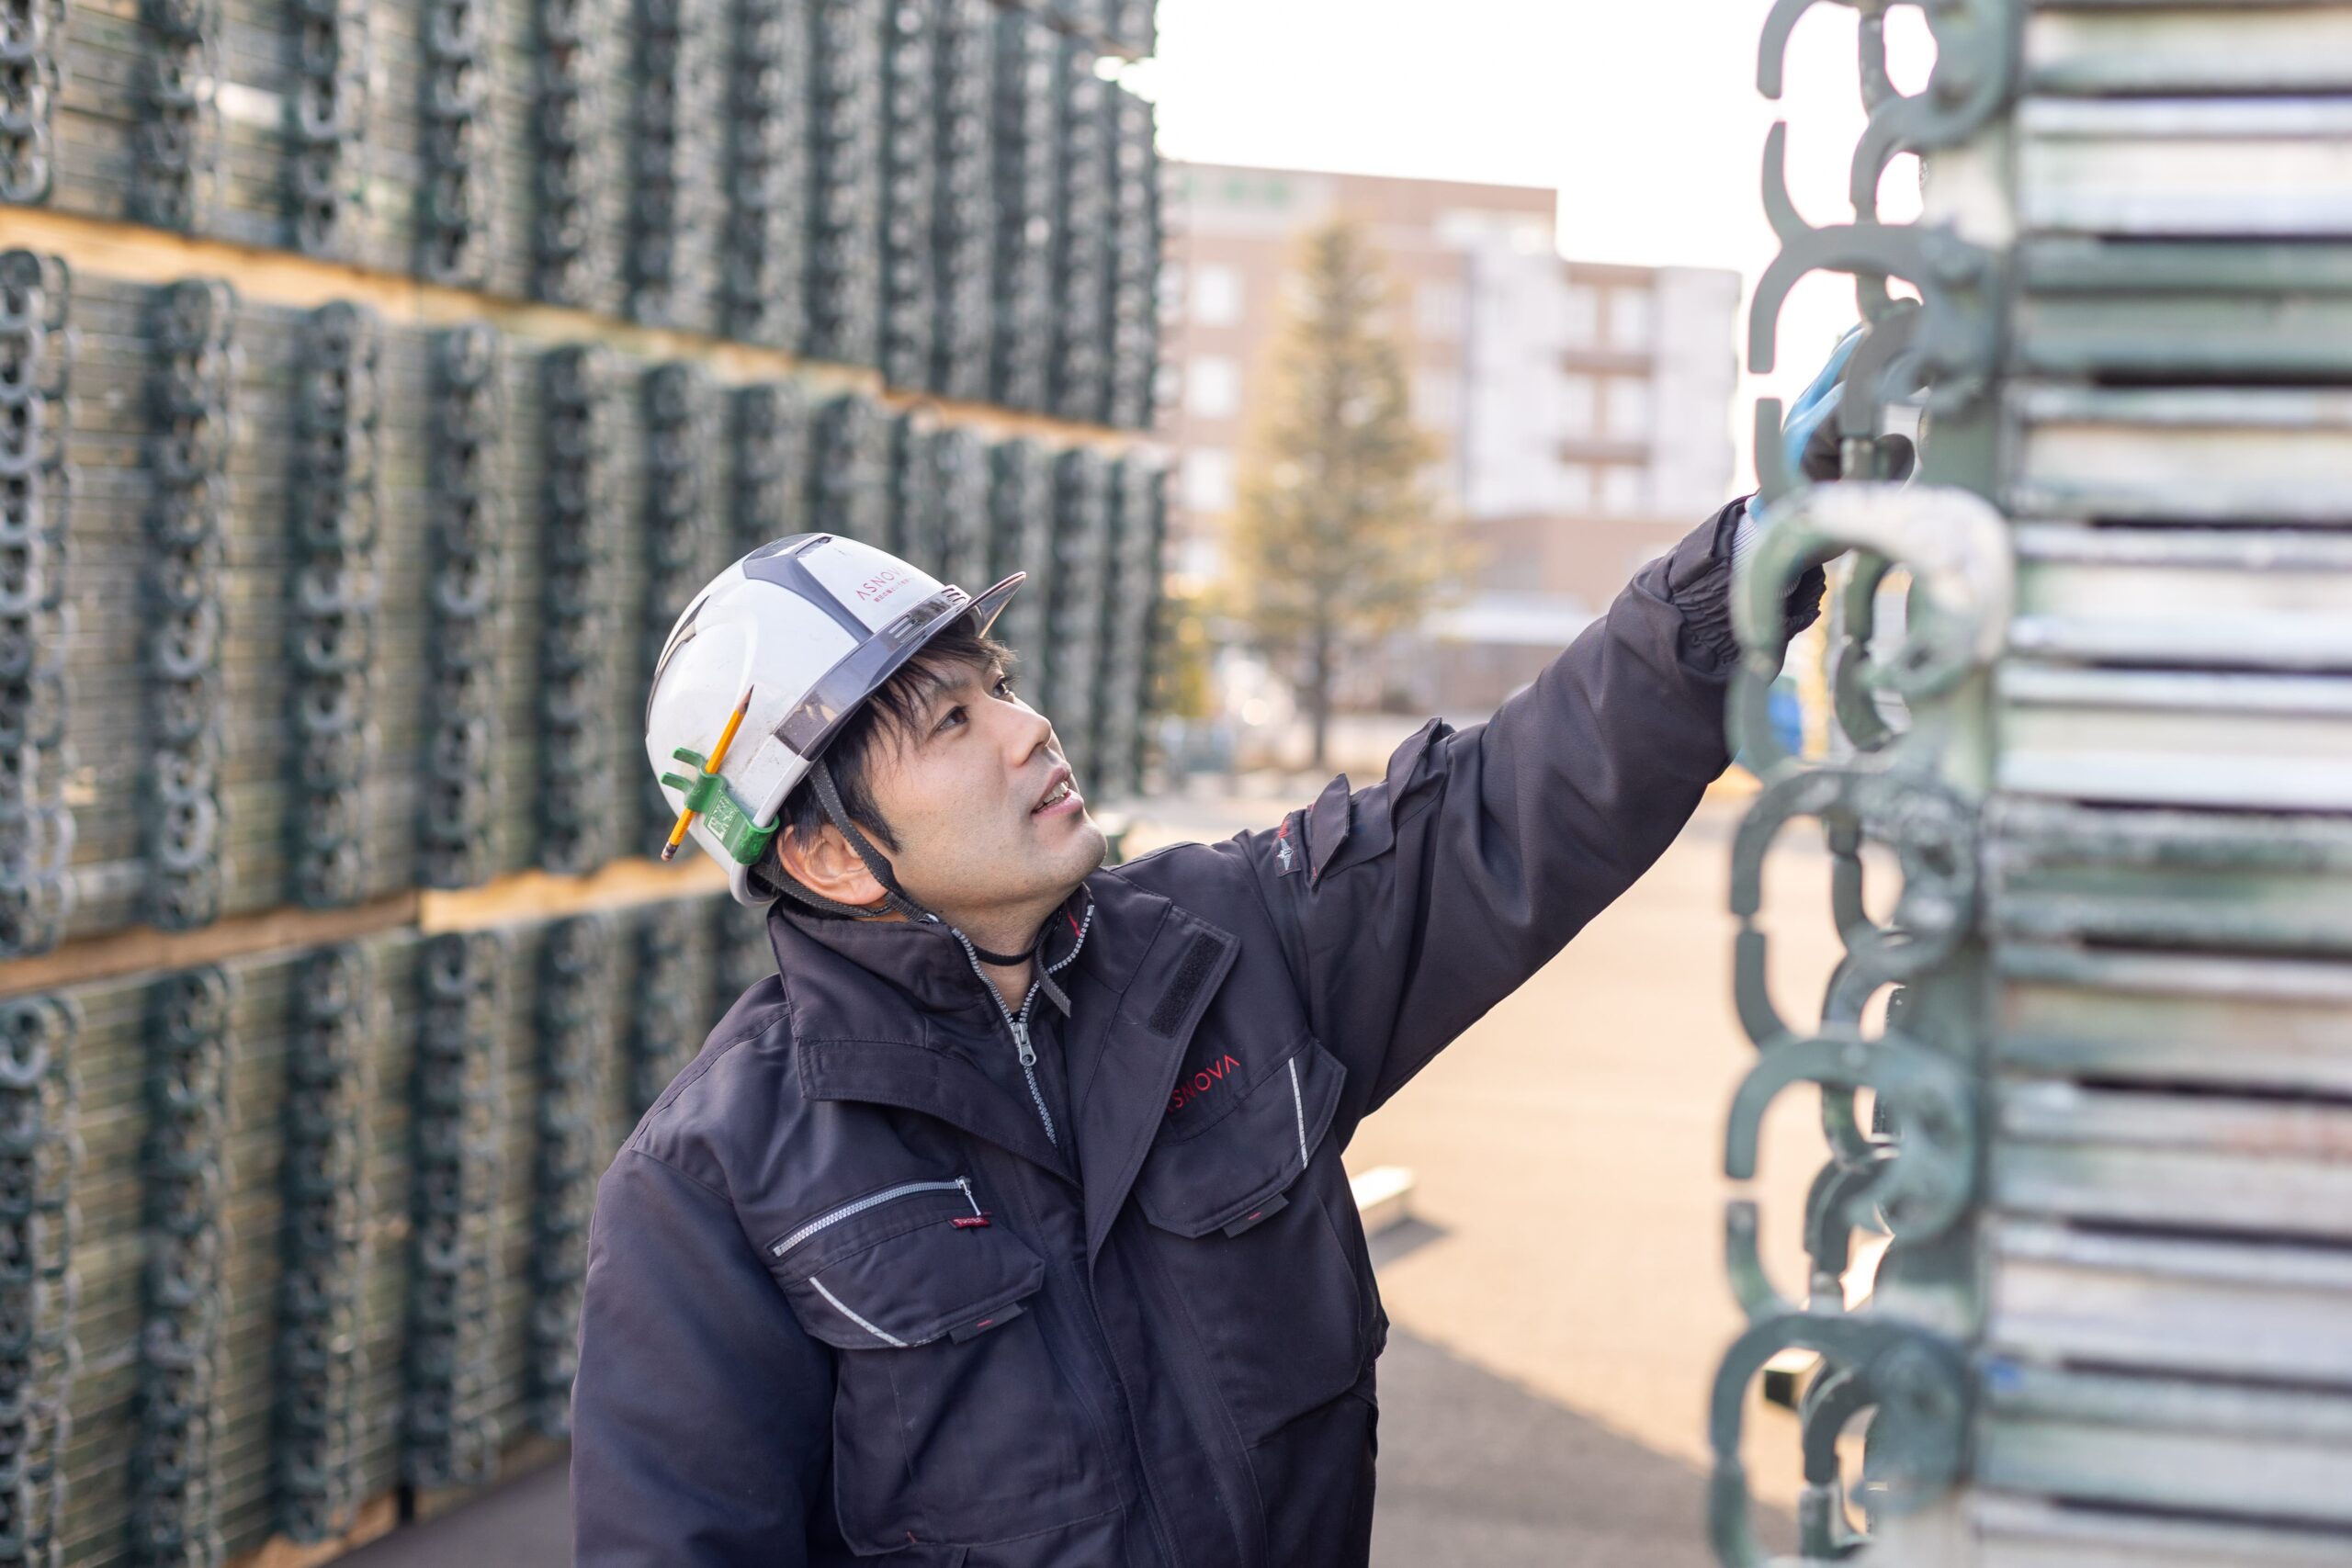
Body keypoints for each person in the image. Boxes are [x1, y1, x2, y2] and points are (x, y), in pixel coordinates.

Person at [570, 397, 1841, 1564]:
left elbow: (1502, 804)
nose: (1028, 729)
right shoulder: (718, 1186)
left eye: (995, 689)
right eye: (950, 724)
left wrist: (1741, 563)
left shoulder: (1227, 948)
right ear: (828, 854)